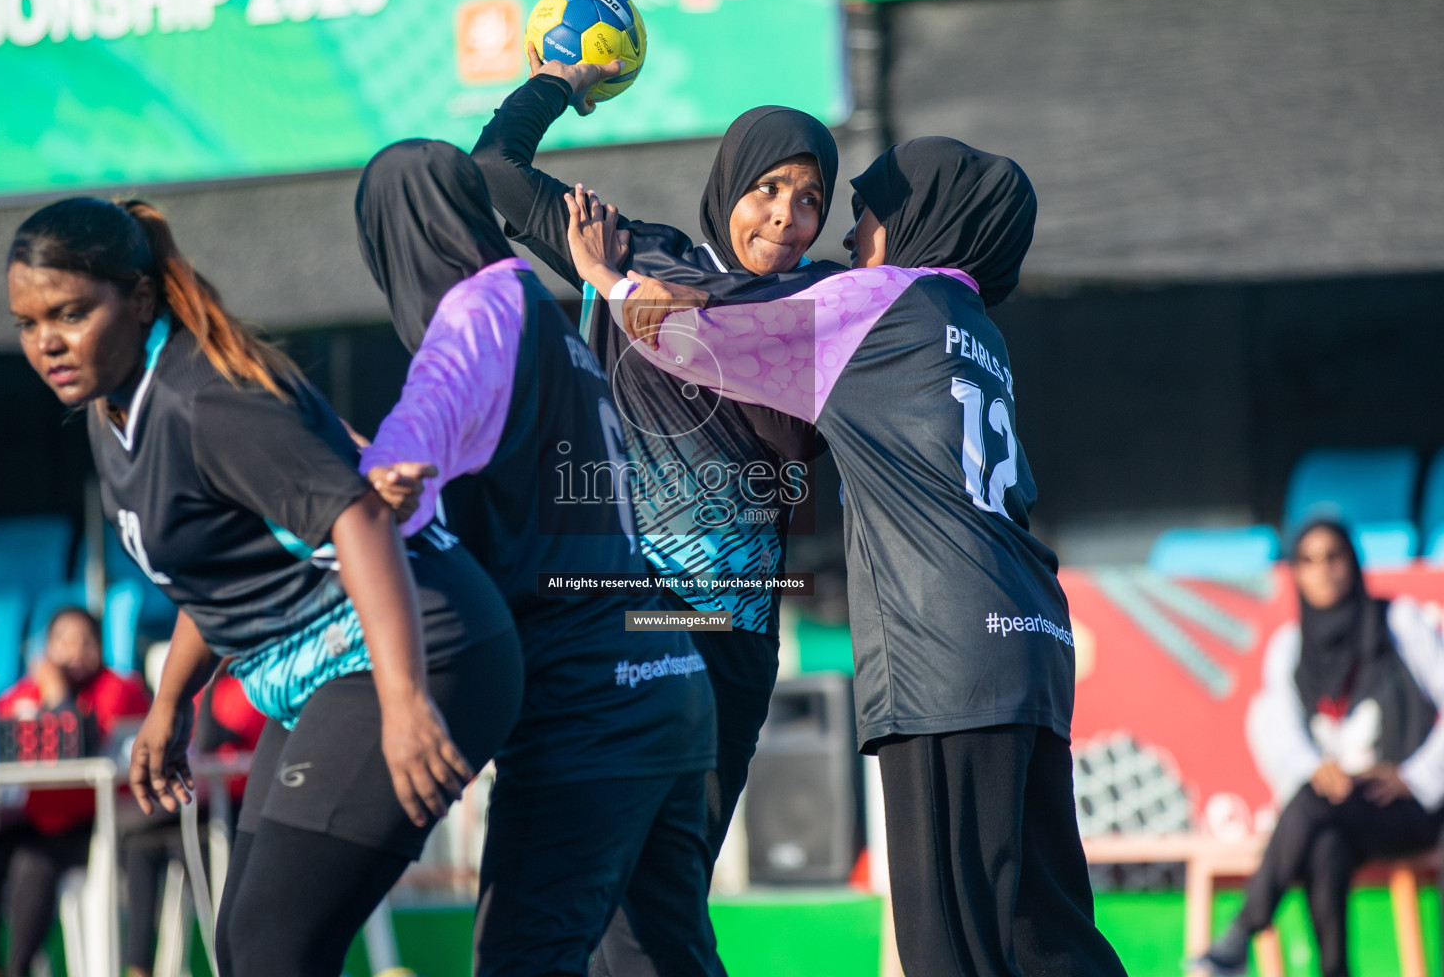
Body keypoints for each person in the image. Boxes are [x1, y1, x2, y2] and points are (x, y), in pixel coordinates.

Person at [566, 136, 1128, 977]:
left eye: (869, 211)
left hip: (948, 659)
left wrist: (608, 280)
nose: (849, 232)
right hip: (1032, 644)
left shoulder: (881, 300)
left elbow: (705, 338)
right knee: (1042, 933)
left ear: (920, 220)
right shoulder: (974, 325)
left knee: (951, 948)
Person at [6, 196, 522, 977]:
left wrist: (405, 700)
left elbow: (362, 520)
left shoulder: (202, 397)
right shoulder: (111, 409)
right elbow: (218, 575)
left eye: (71, 314)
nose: (48, 342)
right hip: (316, 668)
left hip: (424, 649)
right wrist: (170, 705)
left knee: (274, 949)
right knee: (249, 947)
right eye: (28, 323)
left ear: (140, 299)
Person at [472, 56, 843, 968]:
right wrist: (561, 84)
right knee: (603, 902)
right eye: (768, 190)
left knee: (661, 897)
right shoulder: (648, 248)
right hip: (613, 622)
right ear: (729, 184)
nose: (786, 221)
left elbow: (794, 441)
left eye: (809, 201)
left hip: (724, 637)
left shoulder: (815, 303)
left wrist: (614, 290)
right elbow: (492, 170)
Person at [353, 139, 719, 977]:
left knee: (525, 958)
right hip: (662, 683)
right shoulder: (544, 320)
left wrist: (341, 501)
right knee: (662, 963)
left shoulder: (478, 316)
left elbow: (396, 471)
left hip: (590, 705)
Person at [1197, 519, 1444, 977]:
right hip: (1338, 810)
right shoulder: (1289, 647)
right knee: (1325, 843)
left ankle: (1244, 931)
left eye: (1334, 556)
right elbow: (1283, 737)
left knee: (1315, 802)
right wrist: (1316, 768)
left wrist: (1414, 776)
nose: (1323, 570)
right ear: (1296, 572)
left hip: (1408, 807)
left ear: (1352, 562)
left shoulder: (1400, 622)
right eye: (1308, 560)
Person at [0, 607, 150, 977]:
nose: (75, 651)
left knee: (33, 865)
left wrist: (59, 698)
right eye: (64, 640)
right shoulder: (26, 691)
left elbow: (80, 746)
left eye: (86, 641)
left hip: (90, 824)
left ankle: (18, 970)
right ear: (47, 648)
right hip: (30, 819)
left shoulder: (119, 688)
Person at [123, 674, 264, 977]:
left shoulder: (252, 684)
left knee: (202, 848)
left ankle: (237, 959)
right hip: (198, 807)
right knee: (140, 847)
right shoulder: (195, 690)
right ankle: (139, 968)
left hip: (240, 806)